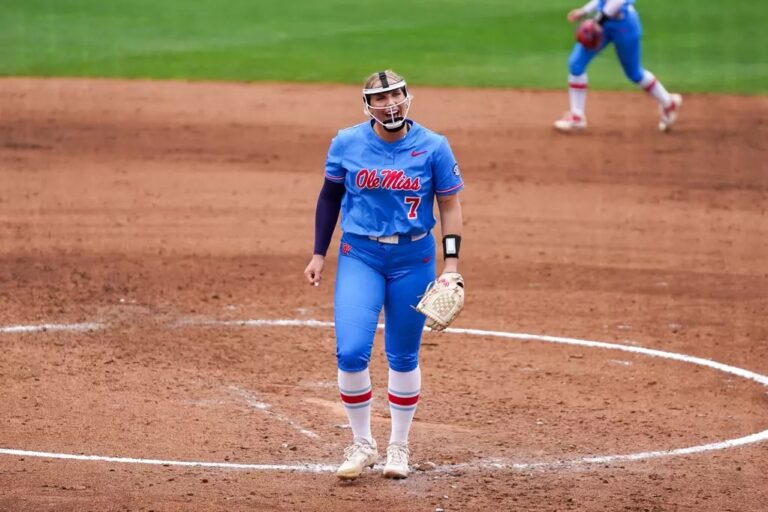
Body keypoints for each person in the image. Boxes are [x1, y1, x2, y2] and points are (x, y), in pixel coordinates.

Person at [303, 70, 464, 480]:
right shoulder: (347, 142)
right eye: (381, 98)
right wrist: (319, 253)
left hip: (415, 257)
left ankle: (399, 447)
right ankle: (362, 443)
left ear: (408, 98)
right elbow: (329, 198)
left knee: (403, 354)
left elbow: (449, 206)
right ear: (367, 105)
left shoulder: (434, 147)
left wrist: (451, 265)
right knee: (352, 350)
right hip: (361, 254)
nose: (390, 104)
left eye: (396, 96)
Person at [554, 0, 682, 132]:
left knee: (634, 73)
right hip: (604, 24)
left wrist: (597, 21)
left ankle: (669, 103)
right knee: (576, 64)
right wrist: (585, 10)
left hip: (624, 26)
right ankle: (576, 117)